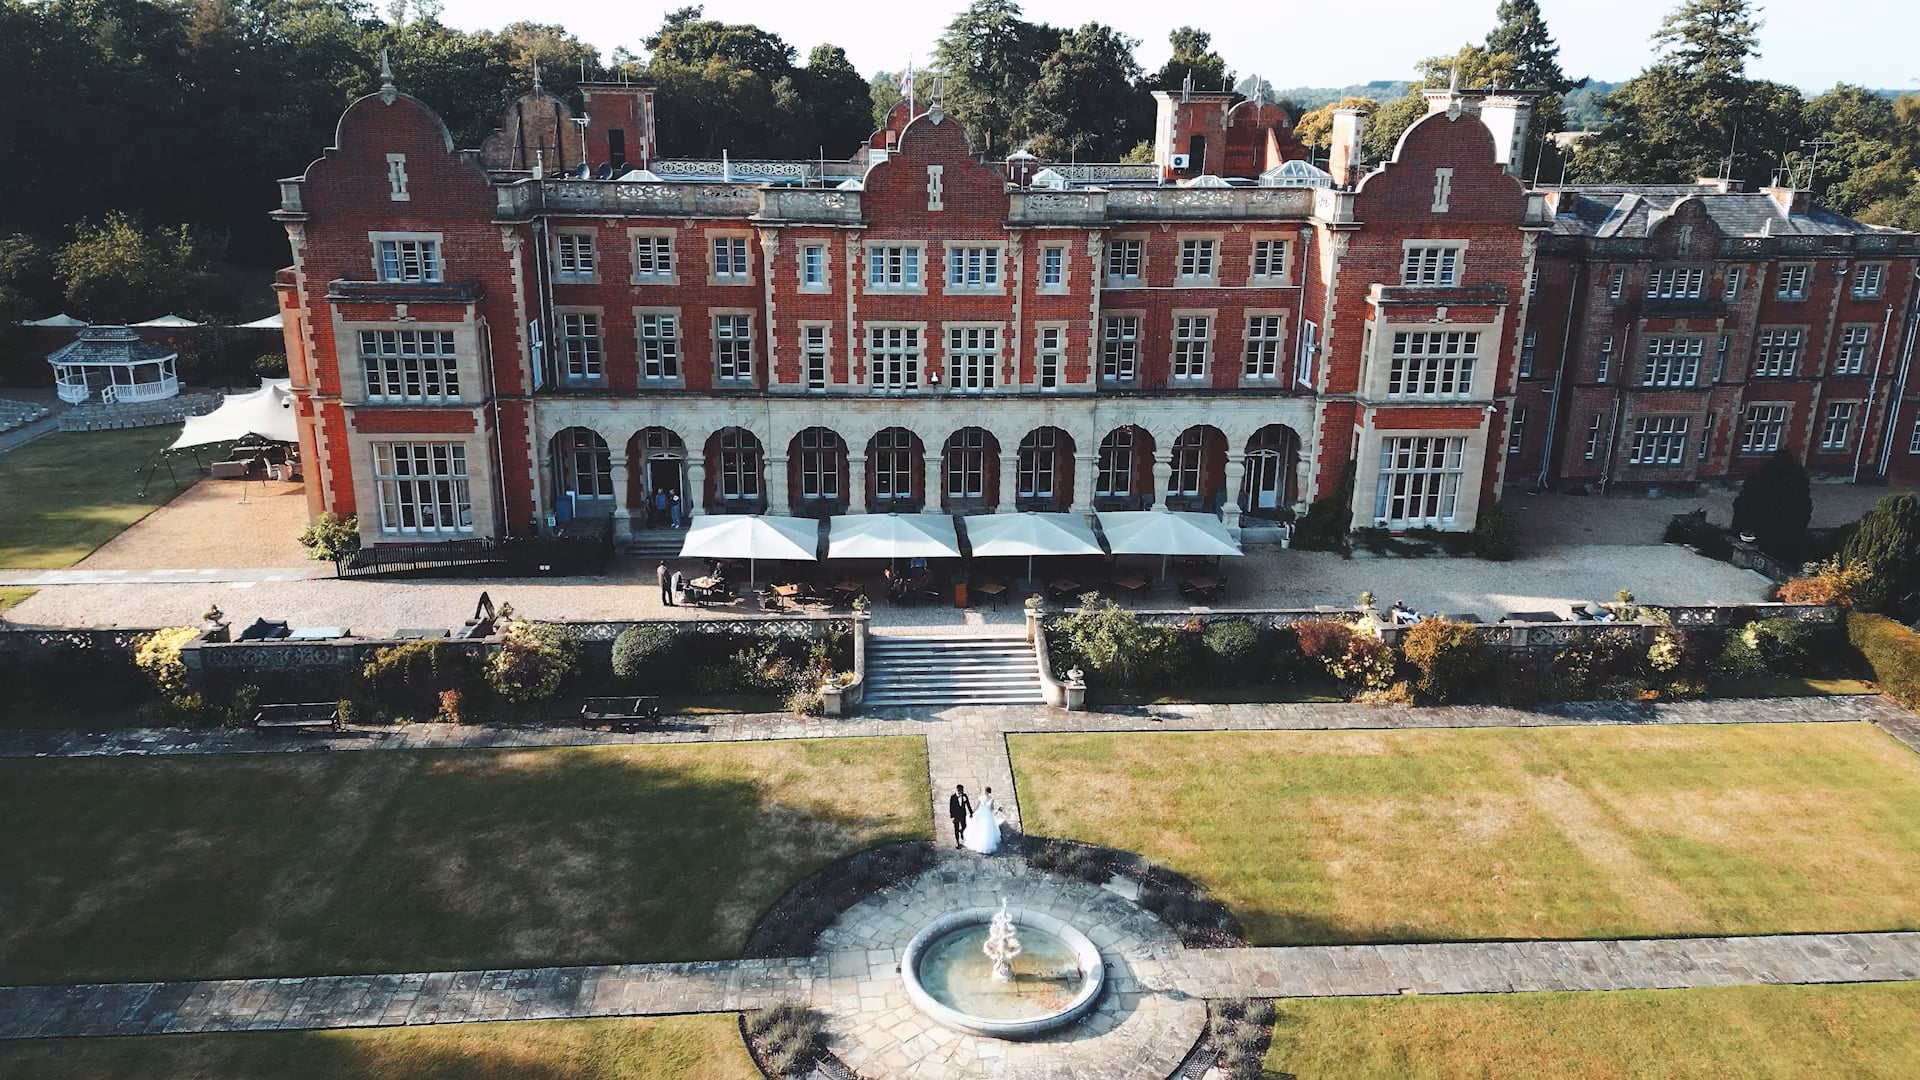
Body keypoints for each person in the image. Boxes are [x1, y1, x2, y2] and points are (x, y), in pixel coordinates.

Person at [963, 786, 1001, 855]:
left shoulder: (981, 798)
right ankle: (986, 844)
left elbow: (977, 807)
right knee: (987, 830)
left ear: (985, 791)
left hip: (982, 815)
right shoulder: (991, 799)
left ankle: (979, 843)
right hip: (987, 816)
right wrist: (997, 810)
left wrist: (972, 813)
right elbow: (992, 809)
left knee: (980, 829)